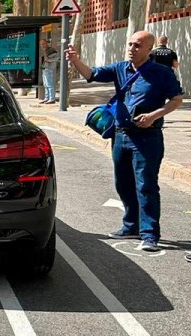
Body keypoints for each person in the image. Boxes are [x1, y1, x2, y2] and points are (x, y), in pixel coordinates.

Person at [65, 31, 183, 252]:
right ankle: (131, 226)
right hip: (121, 135)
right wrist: (75, 60)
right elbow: (92, 74)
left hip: (147, 137)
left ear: (149, 49)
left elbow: (176, 99)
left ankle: (150, 234)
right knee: (123, 183)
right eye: (130, 44)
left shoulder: (162, 73)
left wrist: (154, 115)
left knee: (146, 185)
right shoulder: (120, 68)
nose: (131, 49)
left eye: (137, 45)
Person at [40, 37, 59, 104]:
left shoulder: (52, 50)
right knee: (45, 84)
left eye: (44, 44)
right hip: (45, 68)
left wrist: (48, 60)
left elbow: (57, 58)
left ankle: (52, 98)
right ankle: (47, 98)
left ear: (47, 44)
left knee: (49, 84)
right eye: (41, 44)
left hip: (49, 68)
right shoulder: (45, 51)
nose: (43, 45)